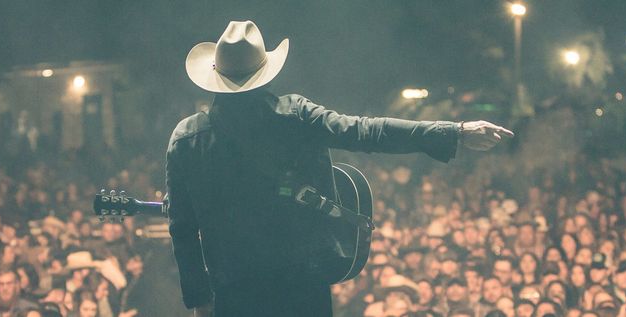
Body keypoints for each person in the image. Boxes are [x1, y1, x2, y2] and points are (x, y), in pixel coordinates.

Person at [168, 20, 512, 316]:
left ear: (216, 74)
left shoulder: (186, 139)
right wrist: (454, 132)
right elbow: (369, 131)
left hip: (234, 293)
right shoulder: (295, 116)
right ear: (264, 73)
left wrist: (200, 300)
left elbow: (182, 230)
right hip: (304, 287)